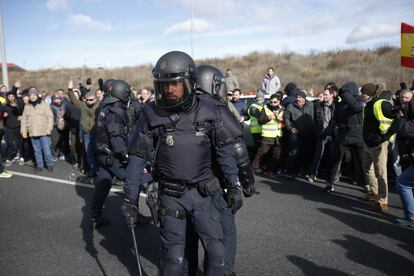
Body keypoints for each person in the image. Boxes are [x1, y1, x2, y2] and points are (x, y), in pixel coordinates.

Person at [122, 51, 244, 275]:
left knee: (217, 254)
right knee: (175, 259)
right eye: (164, 85)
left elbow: (225, 150)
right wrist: (130, 199)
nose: (169, 90)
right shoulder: (151, 113)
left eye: (175, 84)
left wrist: (234, 184)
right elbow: (137, 158)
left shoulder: (209, 108)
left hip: (205, 195)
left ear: (190, 83)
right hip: (171, 197)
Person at [361, 83, 397, 211]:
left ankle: (383, 201)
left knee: (381, 173)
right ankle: (374, 193)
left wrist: (385, 137)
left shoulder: (381, 104)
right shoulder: (368, 104)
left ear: (368, 94)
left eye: (363, 93)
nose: (361, 95)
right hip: (368, 142)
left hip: (379, 143)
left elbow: (397, 118)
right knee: (367, 168)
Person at [326, 82, 365, 192]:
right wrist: (331, 128)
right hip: (343, 136)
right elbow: (335, 118)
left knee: (362, 162)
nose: (343, 93)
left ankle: (367, 185)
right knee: (335, 160)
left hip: (357, 136)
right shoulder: (341, 103)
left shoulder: (359, 101)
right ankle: (329, 183)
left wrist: (346, 93)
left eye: (346, 91)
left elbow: (356, 107)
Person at [67, 80, 100, 177]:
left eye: (91, 100)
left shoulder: (100, 105)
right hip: (87, 134)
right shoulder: (83, 105)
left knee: (98, 153)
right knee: (89, 152)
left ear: (96, 98)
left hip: (97, 133)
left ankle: (100, 171)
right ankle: (92, 170)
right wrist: (70, 90)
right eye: (87, 100)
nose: (89, 102)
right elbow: (74, 99)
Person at [20, 87, 54, 172]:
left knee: (46, 150)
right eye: (30, 95)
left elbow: (50, 117)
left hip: (44, 132)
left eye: (33, 95)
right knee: (37, 150)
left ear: (37, 95)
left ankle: (49, 164)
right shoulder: (27, 106)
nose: (32, 97)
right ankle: (40, 165)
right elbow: (24, 120)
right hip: (32, 132)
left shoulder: (44, 104)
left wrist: (49, 128)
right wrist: (23, 131)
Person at [283, 90, 314, 179]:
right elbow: (286, 118)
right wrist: (291, 128)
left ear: (304, 98)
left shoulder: (310, 105)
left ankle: (300, 170)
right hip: (295, 133)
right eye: (297, 97)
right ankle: (289, 172)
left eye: (300, 97)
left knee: (305, 153)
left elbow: (314, 117)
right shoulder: (291, 106)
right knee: (293, 153)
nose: (297, 98)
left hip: (308, 133)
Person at [307, 86, 336, 182]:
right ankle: (312, 174)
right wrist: (317, 131)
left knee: (332, 156)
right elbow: (314, 119)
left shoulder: (336, 106)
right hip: (322, 133)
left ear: (332, 95)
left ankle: (331, 177)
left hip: (332, 134)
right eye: (323, 94)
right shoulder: (319, 105)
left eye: (326, 94)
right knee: (318, 155)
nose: (324, 96)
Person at [252, 93, 284, 176]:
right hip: (267, 136)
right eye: (271, 102)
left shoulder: (282, 108)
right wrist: (268, 118)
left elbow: (286, 122)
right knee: (261, 154)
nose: (273, 104)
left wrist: (282, 120)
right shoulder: (266, 108)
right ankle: (252, 170)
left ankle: (269, 171)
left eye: (275, 102)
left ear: (279, 102)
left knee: (276, 155)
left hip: (278, 136)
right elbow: (260, 121)